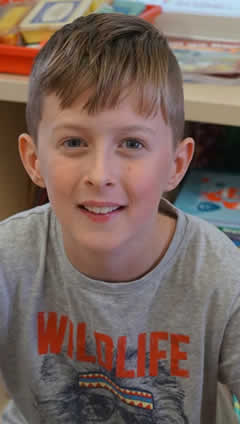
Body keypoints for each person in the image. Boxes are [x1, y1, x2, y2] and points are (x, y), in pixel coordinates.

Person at [0, 12, 239, 424]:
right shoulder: (10, 257)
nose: (100, 175)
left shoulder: (218, 274)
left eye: (131, 143)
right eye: (74, 142)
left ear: (176, 164)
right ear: (34, 160)